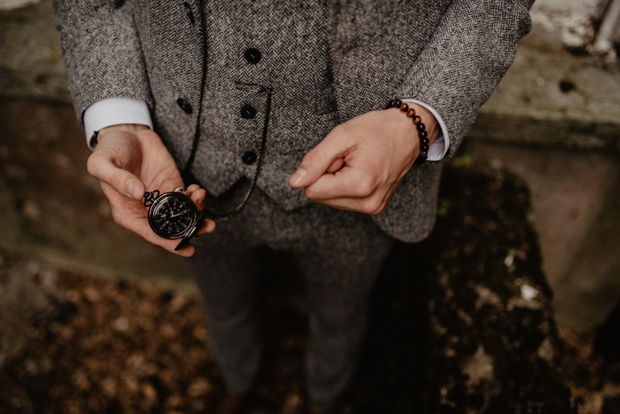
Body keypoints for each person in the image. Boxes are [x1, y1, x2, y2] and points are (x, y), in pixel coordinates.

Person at [52, 1, 534, 412]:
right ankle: (239, 384)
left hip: (365, 186)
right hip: (185, 171)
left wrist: (418, 118)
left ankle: (326, 396)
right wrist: (119, 117)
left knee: (342, 317)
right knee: (224, 307)